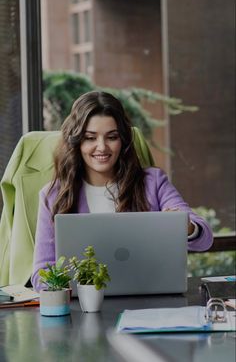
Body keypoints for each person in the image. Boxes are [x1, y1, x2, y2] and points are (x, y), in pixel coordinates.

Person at [31, 91, 213, 291]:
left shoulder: (153, 182)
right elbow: (42, 272)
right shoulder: (54, 195)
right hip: (83, 309)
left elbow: (203, 240)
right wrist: (69, 290)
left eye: (112, 137)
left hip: (150, 303)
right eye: (90, 138)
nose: (102, 147)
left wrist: (186, 226)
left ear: (123, 141)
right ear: (77, 141)